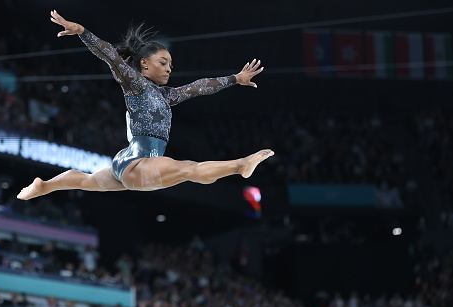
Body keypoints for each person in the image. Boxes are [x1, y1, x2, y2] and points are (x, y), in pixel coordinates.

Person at [17, 10, 273, 199]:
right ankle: (240, 166)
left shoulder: (166, 95)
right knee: (188, 169)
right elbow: (112, 56)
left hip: (127, 161)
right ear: (144, 64)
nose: (169, 69)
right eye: (163, 62)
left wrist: (235, 79)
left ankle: (44, 185)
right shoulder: (136, 84)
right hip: (139, 162)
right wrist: (83, 32)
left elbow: (199, 86)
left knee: (86, 180)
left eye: (171, 65)